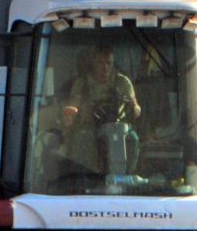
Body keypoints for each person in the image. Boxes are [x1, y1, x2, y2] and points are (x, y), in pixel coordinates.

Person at [57, 42, 141, 176]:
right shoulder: (82, 83)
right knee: (83, 138)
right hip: (90, 127)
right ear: (93, 64)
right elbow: (74, 105)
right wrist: (71, 113)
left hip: (118, 128)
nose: (105, 67)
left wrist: (134, 107)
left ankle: (125, 177)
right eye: (100, 63)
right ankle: (87, 177)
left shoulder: (122, 82)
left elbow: (136, 110)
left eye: (109, 63)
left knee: (133, 139)